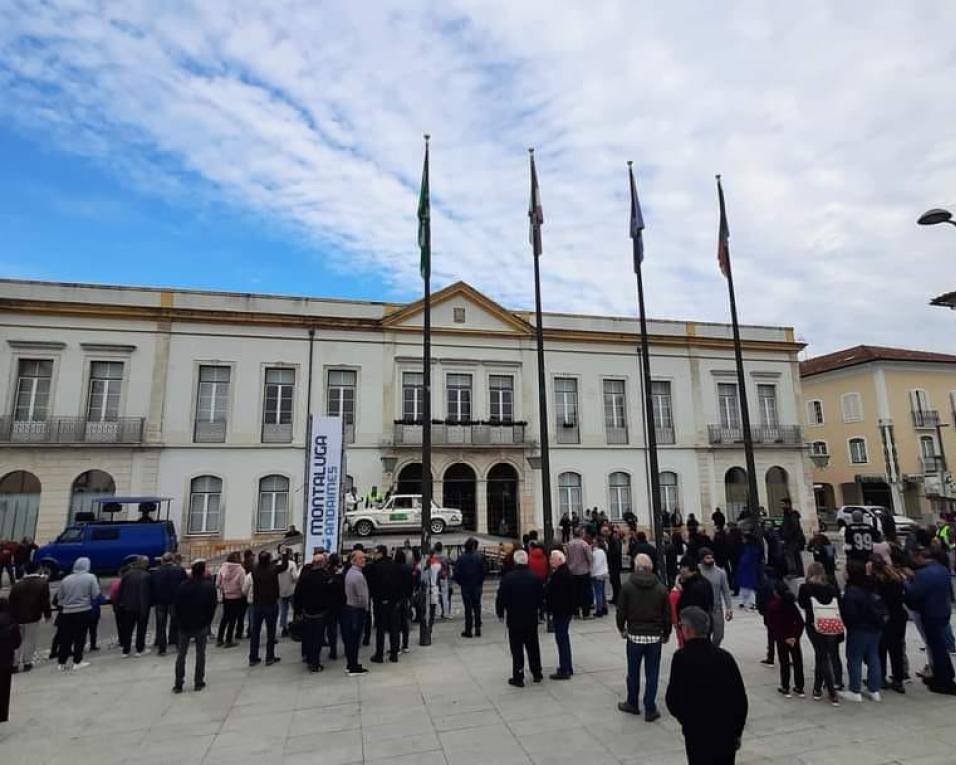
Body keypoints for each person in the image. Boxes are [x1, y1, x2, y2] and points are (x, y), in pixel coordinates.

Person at [666, 606, 748, 765]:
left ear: (688, 630)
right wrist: (737, 732)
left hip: (697, 734)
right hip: (726, 733)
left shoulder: (682, 659)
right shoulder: (725, 657)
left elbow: (673, 700)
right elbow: (740, 700)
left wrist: (688, 722)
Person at [616, 553, 671, 721]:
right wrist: (666, 633)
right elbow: (667, 615)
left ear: (636, 566)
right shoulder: (661, 588)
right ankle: (650, 707)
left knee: (633, 671)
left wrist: (622, 628)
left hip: (634, 635)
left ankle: (632, 702)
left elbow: (621, 611)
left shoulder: (627, 586)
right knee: (652, 672)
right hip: (654, 636)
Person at [905, 546, 956, 694]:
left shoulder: (923, 574)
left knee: (936, 648)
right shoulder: (942, 569)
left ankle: (944, 679)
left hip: (930, 613)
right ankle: (945, 675)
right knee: (940, 646)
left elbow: (912, 594)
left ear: (920, 557)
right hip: (943, 611)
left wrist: (906, 581)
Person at [495, 549, 543, 687]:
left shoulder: (508, 578)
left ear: (515, 561)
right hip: (531, 617)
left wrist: (500, 612)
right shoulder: (534, 577)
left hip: (515, 618)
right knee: (533, 646)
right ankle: (537, 672)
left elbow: (501, 597)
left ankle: (518, 675)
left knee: (517, 649)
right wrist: (541, 611)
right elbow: (540, 597)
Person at [840, 559, 886, 702]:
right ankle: (874, 689)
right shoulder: (871, 586)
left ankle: (855, 690)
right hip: (875, 627)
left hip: (859, 629)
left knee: (854, 658)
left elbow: (850, 615)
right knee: (874, 657)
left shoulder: (851, 592)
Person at [797, 562, 843, 705]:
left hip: (814, 624)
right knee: (822, 654)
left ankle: (830, 691)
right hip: (831, 624)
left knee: (822, 656)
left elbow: (802, 604)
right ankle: (817, 687)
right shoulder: (831, 588)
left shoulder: (805, 588)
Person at [293, 553, 344, 672]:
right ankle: (315, 663)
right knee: (318, 638)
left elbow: (298, 595)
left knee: (309, 637)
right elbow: (334, 592)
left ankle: (309, 658)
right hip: (321, 612)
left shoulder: (305, 576)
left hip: (307, 612)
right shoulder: (326, 577)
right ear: (322, 563)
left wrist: (298, 610)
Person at [172, 559, 217, 693]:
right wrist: (207, 621)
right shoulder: (209, 587)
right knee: (200, 654)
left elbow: (176, 606)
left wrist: (179, 621)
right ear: (203, 571)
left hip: (184, 624)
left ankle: (178, 683)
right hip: (201, 623)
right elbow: (212, 606)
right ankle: (198, 681)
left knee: (181, 654)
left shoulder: (182, 586)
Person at [870, 555, 907, 694]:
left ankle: (881, 677)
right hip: (898, 616)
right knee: (896, 648)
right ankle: (898, 680)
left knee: (881, 649)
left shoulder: (877, 582)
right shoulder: (896, 578)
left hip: (884, 617)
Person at [55, 556, 99, 671]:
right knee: (80, 637)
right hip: (83, 611)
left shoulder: (66, 579)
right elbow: (95, 594)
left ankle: (61, 662)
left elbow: (60, 597)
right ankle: (77, 661)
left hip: (67, 612)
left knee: (66, 638)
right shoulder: (90, 577)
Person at [245, 550, 287, 667]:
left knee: (255, 632)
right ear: (268, 560)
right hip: (271, 604)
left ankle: (253, 657)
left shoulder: (254, 569)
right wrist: (284, 554)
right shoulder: (273, 569)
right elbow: (284, 566)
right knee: (271, 631)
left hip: (257, 604)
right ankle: (270, 657)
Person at [8, 560, 51, 673]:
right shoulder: (42, 583)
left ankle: (14, 664)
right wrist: (47, 614)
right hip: (33, 616)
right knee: (30, 640)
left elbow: (11, 602)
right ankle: (27, 662)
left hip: (17, 617)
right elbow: (44, 601)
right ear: (38, 569)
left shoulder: (17, 585)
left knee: (17, 641)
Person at [765, 580, 805, 698]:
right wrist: (795, 636)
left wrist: (782, 637)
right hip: (794, 637)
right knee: (797, 661)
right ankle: (799, 687)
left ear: (776, 593)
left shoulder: (773, 606)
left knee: (784, 663)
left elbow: (771, 624)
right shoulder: (792, 605)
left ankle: (785, 686)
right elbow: (800, 622)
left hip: (781, 637)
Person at [545, 549, 575, 680]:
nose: (550, 561)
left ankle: (564, 669)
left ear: (559, 560)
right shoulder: (565, 572)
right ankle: (567, 666)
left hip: (561, 611)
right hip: (566, 610)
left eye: (552, 559)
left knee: (561, 639)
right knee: (564, 639)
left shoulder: (559, 575)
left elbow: (553, 594)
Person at [370, 545, 401, 664]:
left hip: (380, 601)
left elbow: (372, 583)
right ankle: (394, 654)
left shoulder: (375, 567)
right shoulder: (394, 565)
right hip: (393, 601)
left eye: (376, 553)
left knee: (380, 629)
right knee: (394, 628)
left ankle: (379, 654)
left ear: (381, 553)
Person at [151, 552, 187, 656]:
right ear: (173, 560)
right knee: (177, 623)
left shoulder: (156, 572)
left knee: (161, 625)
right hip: (175, 601)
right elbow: (184, 585)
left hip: (160, 602)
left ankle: (162, 648)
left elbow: (153, 587)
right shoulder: (180, 570)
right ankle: (178, 645)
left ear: (162, 560)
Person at [116, 556, 153, 657]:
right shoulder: (147, 576)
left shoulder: (127, 574)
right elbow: (147, 594)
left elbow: (121, 591)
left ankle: (126, 650)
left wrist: (120, 604)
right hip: (141, 606)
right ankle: (139, 649)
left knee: (128, 629)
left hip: (127, 606)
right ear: (145, 564)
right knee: (141, 629)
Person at [698, 548, 733, 647]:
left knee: (719, 634)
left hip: (716, 608)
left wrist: (729, 607)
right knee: (703, 634)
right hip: (701, 608)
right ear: (701, 559)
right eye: (707, 558)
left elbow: (726, 591)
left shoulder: (720, 573)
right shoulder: (697, 571)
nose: (710, 560)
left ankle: (713, 649)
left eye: (711, 557)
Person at [343, 549, 370, 676]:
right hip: (357, 609)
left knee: (351, 639)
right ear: (354, 560)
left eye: (364, 557)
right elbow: (362, 597)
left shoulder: (351, 572)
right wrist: (365, 607)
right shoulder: (357, 576)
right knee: (354, 639)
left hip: (350, 608)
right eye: (361, 558)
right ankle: (353, 666)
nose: (364, 559)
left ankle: (351, 664)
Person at [453, 537, 485, 638]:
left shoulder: (461, 558)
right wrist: (480, 582)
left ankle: (468, 630)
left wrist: (461, 582)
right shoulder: (479, 557)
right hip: (476, 585)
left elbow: (456, 573)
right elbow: (484, 571)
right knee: (477, 606)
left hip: (466, 586)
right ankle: (478, 628)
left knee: (468, 608)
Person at [0, 598, 21, 723]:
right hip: (5, 658)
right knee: (4, 688)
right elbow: (17, 642)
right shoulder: (11, 621)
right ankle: (2, 715)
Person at [566, 528, 593, 618]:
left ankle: (575, 612)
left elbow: (567, 557)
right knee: (585, 592)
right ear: (581, 534)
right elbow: (589, 557)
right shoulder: (584, 544)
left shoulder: (569, 544)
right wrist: (590, 565)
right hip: (583, 571)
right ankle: (586, 613)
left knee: (574, 592)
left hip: (572, 571)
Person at [392, 549, 414, 653]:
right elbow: (411, 584)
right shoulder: (408, 569)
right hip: (406, 597)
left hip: (396, 598)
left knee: (396, 623)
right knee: (405, 622)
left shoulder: (393, 568)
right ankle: (405, 645)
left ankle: (396, 646)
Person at [734, 533, 762, 610]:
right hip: (749, 570)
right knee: (747, 587)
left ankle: (748, 602)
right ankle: (746, 602)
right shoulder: (753, 548)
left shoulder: (748, 549)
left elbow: (744, 560)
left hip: (746, 570)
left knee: (746, 587)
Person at [277, 547, 300, 638]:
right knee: (296, 609)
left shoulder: (278, 564)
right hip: (292, 590)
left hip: (281, 590)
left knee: (284, 610)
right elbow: (295, 577)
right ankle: (295, 626)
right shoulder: (292, 564)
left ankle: (284, 628)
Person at [590, 538, 609, 617]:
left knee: (598, 593)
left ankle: (599, 610)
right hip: (603, 573)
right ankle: (604, 607)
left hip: (597, 574)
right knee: (602, 592)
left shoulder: (596, 553)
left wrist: (591, 572)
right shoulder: (602, 552)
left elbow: (595, 565)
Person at [606, 527, 623, 605]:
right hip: (614, 563)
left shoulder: (614, 539)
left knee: (615, 581)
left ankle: (618, 598)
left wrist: (609, 554)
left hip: (614, 564)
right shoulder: (612, 538)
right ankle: (615, 597)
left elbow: (616, 551)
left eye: (607, 531)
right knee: (614, 581)